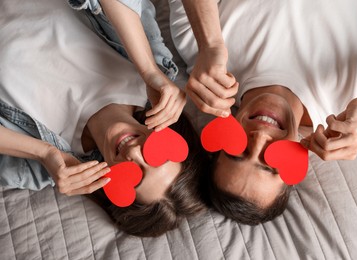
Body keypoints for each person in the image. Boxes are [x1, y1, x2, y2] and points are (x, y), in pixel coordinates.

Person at [169, 0, 357, 225]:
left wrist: (210, 44)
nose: (260, 138)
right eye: (270, 162)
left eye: (238, 152)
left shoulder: (203, 59)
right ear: (295, 162)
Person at [0, 0, 208, 237]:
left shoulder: (38, 169)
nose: (133, 154)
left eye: (134, 177)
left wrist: (43, 152)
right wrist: (149, 70)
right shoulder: (153, 71)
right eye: (155, 156)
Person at [68, 0, 186, 132]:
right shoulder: (147, 60)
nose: (133, 153)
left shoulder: (58, 141)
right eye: (148, 150)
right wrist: (149, 70)